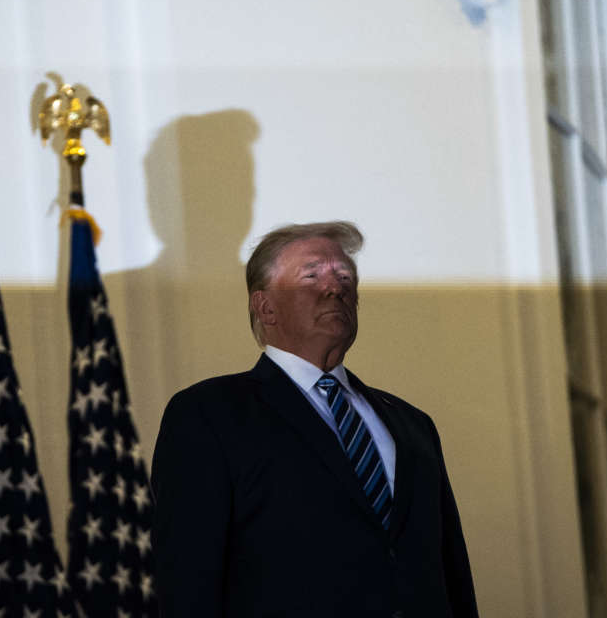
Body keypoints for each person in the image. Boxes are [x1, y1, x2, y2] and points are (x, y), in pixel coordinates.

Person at [151, 221, 479, 617]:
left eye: (345, 277)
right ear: (265, 306)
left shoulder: (412, 424)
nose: (335, 288)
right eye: (311, 276)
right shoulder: (209, 413)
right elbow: (187, 581)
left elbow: (452, 573)